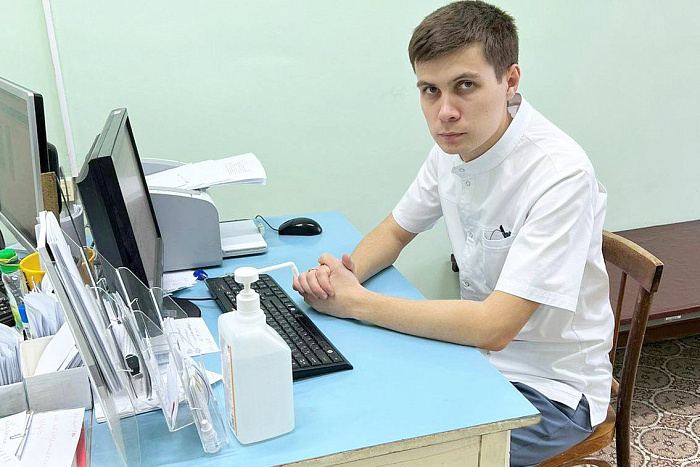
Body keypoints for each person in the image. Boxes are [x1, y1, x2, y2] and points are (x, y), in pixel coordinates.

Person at [292, 1, 614, 465]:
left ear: (510, 81)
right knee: (347, 409)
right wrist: (343, 277)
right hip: (473, 357)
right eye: (430, 90)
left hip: (551, 388)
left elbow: (495, 327)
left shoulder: (559, 174)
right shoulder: (454, 146)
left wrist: (357, 303)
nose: (444, 112)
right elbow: (395, 232)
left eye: (465, 86)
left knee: (396, 456)